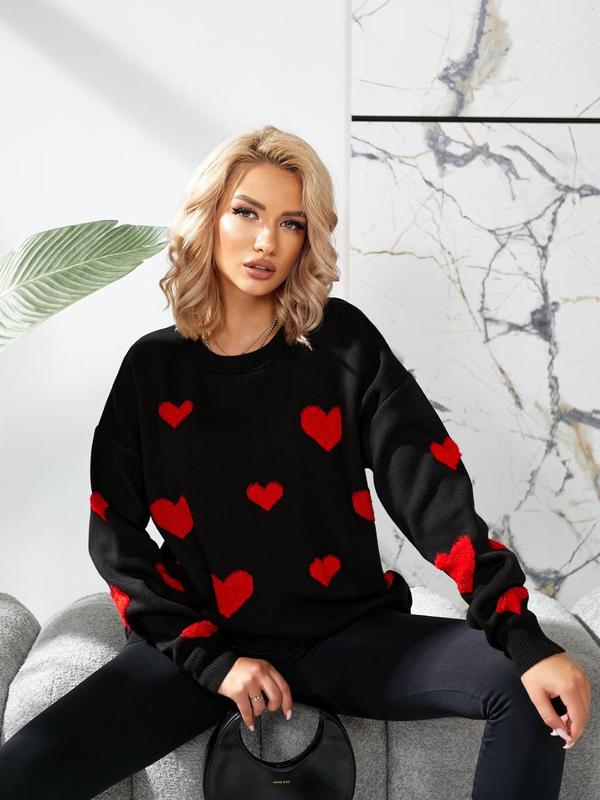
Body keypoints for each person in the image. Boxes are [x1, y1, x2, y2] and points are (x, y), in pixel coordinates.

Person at [0, 125, 590, 800]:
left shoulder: (343, 344)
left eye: (291, 223)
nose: (266, 242)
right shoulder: (151, 370)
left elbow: (432, 494)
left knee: (529, 692)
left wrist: (521, 634)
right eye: (246, 213)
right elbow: (116, 538)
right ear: (208, 218)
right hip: (206, 645)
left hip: (349, 636)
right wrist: (212, 660)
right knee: (19, 775)